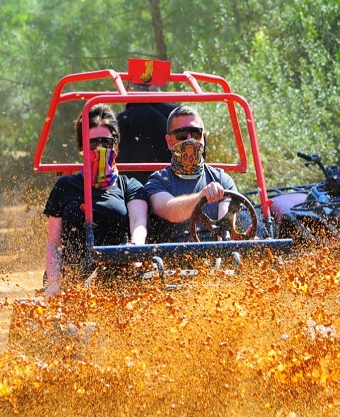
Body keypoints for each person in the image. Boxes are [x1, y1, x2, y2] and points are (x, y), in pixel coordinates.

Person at [43, 103, 148, 296]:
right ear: (82, 148)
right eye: (93, 144)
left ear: (115, 145)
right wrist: (53, 284)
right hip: (72, 279)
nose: (100, 149)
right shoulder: (65, 186)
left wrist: (135, 250)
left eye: (106, 143)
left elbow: (138, 222)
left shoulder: (129, 187)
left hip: (117, 278)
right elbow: (53, 242)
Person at [144, 105, 237, 243]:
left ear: (203, 138)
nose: (190, 141)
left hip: (216, 257)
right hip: (172, 258)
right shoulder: (158, 182)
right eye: (182, 135)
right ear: (169, 141)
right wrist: (201, 197)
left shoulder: (222, 179)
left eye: (195, 134)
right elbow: (171, 211)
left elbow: (225, 230)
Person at [115, 82, 178, 184]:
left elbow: (119, 160)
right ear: (152, 88)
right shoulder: (171, 115)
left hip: (132, 186)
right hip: (166, 183)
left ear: (127, 88)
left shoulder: (122, 119)